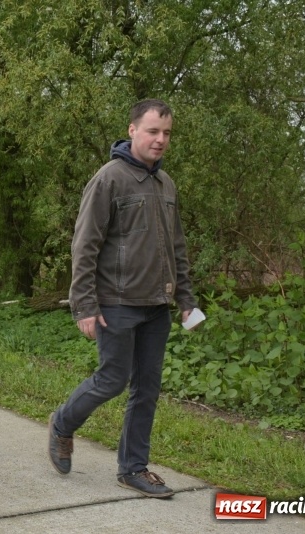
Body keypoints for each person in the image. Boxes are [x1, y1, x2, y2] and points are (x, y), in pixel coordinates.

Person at [47, 99, 197, 498]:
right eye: (153, 131)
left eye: (166, 133)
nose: (160, 140)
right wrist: (85, 305)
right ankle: (63, 422)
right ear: (132, 130)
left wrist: (186, 299)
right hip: (116, 302)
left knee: (147, 387)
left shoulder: (166, 185)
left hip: (156, 305)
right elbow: (85, 246)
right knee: (113, 379)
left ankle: (133, 468)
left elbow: (175, 248)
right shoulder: (109, 179)